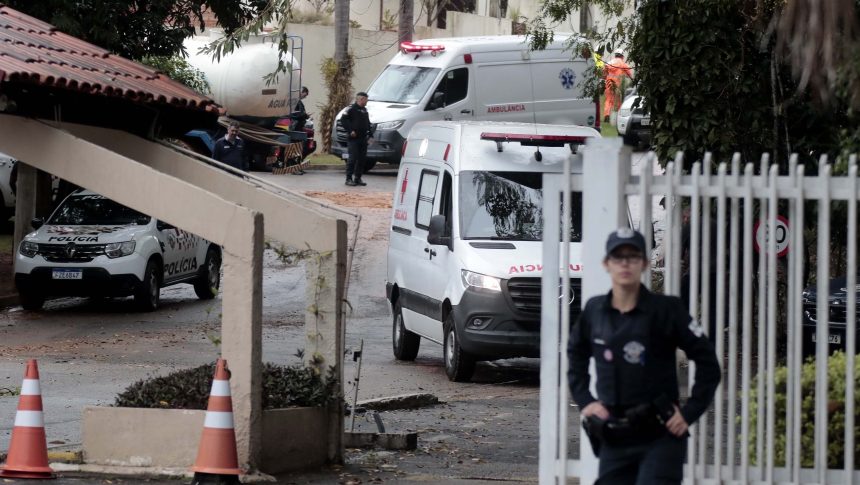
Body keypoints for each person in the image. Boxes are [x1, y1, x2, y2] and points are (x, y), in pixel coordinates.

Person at [569, 228, 720, 484]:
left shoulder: (667, 311)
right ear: (607, 264)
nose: (625, 263)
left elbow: (708, 363)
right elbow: (575, 355)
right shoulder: (595, 310)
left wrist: (689, 412)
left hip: (660, 435)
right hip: (614, 436)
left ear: (645, 263)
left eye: (633, 256)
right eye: (618, 257)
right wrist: (586, 401)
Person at [340, 92, 374, 187]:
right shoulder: (351, 109)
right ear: (361, 99)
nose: (367, 101)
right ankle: (349, 178)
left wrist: (371, 135)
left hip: (363, 139)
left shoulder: (364, 110)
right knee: (353, 159)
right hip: (354, 139)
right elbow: (343, 120)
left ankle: (358, 178)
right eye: (366, 99)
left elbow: (367, 123)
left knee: (362, 159)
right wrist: (350, 130)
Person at [603, 50, 633, 123]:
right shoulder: (622, 63)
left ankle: (606, 114)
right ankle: (618, 117)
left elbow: (604, 71)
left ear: (615, 55)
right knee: (618, 101)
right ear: (622, 56)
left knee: (608, 100)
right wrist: (632, 79)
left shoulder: (610, 62)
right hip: (617, 86)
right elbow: (629, 73)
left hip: (608, 84)